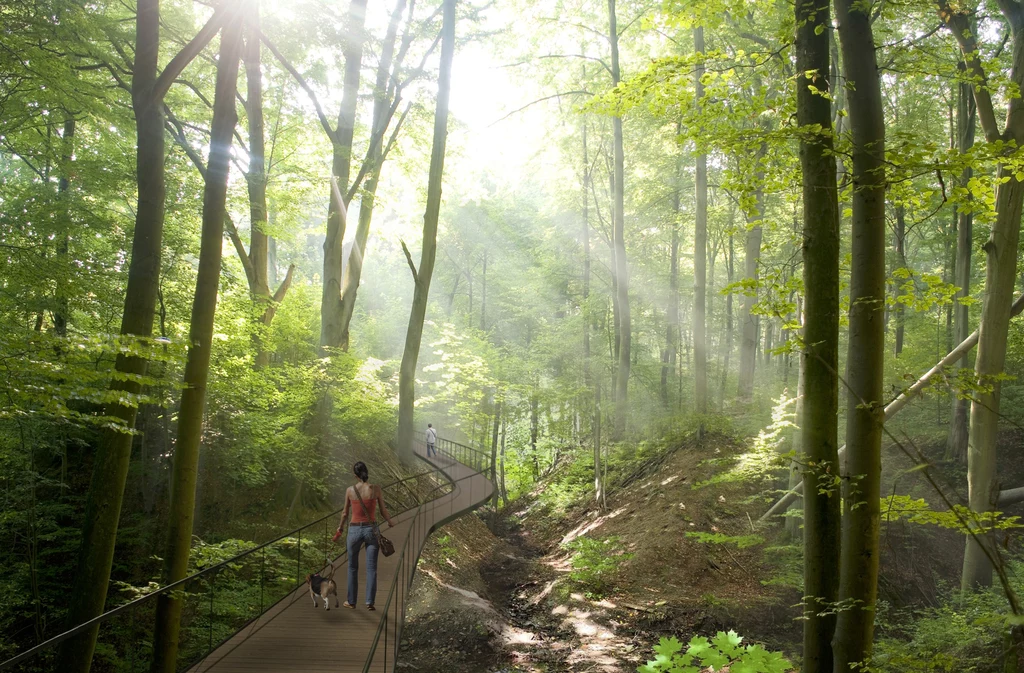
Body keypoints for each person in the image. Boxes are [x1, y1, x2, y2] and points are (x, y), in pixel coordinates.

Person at [337, 461, 394, 610]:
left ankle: (351, 601)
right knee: (371, 568)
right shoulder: (375, 489)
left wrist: (340, 528)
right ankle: (369, 602)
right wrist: (389, 521)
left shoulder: (350, 490)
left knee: (352, 567)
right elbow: (382, 510)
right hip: (371, 530)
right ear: (366, 472)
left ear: (355, 475)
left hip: (354, 530)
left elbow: (345, 513)